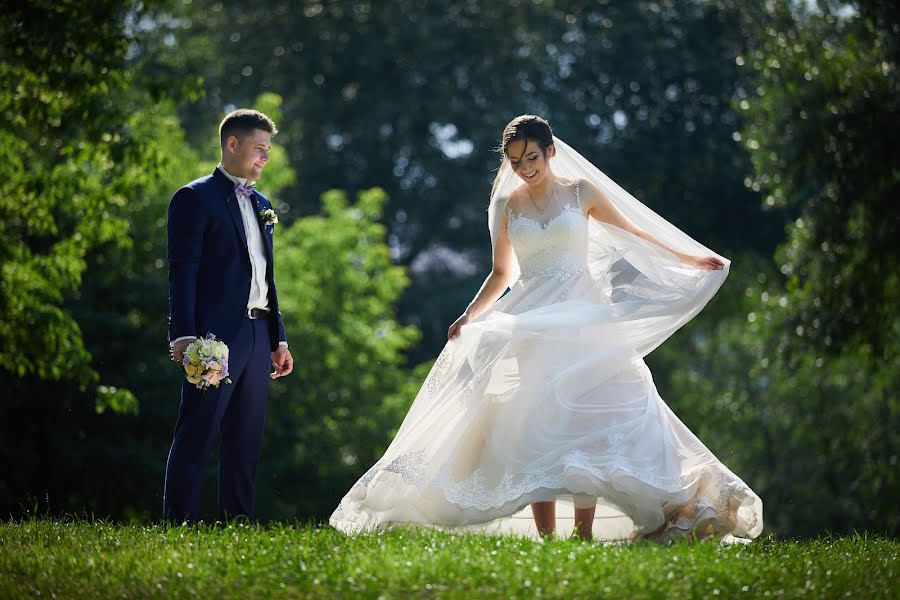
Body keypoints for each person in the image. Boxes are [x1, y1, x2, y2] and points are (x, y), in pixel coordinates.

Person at [329, 115, 762, 543]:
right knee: (534, 422)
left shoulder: (581, 193)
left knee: (585, 425)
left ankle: (584, 533)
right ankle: (547, 538)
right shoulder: (506, 205)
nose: (525, 167)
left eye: (532, 156)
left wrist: (688, 259)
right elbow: (501, 274)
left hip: (585, 316)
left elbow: (633, 233)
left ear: (550, 152)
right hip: (532, 318)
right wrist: (469, 315)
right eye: (515, 161)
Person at [164, 109, 294, 524]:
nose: (265, 159)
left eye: (268, 151)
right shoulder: (194, 198)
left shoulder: (263, 203)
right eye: (259, 149)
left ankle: (237, 524)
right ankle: (177, 522)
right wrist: (184, 336)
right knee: (197, 433)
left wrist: (279, 338)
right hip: (213, 337)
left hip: (259, 335)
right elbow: (183, 270)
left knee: (246, 439)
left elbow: (266, 276)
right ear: (232, 144)